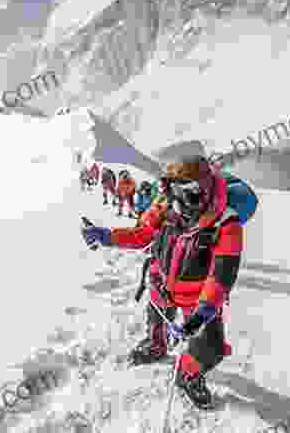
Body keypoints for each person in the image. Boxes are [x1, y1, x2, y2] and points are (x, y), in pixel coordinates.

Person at [81, 155, 252, 410]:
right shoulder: (164, 206)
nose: (191, 200)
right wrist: (105, 236)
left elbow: (221, 275)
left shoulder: (226, 223)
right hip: (161, 282)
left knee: (212, 348)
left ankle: (188, 374)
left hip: (198, 300)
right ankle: (156, 344)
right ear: (171, 188)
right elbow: (141, 235)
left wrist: (201, 315)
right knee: (156, 318)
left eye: (196, 192)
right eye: (183, 192)